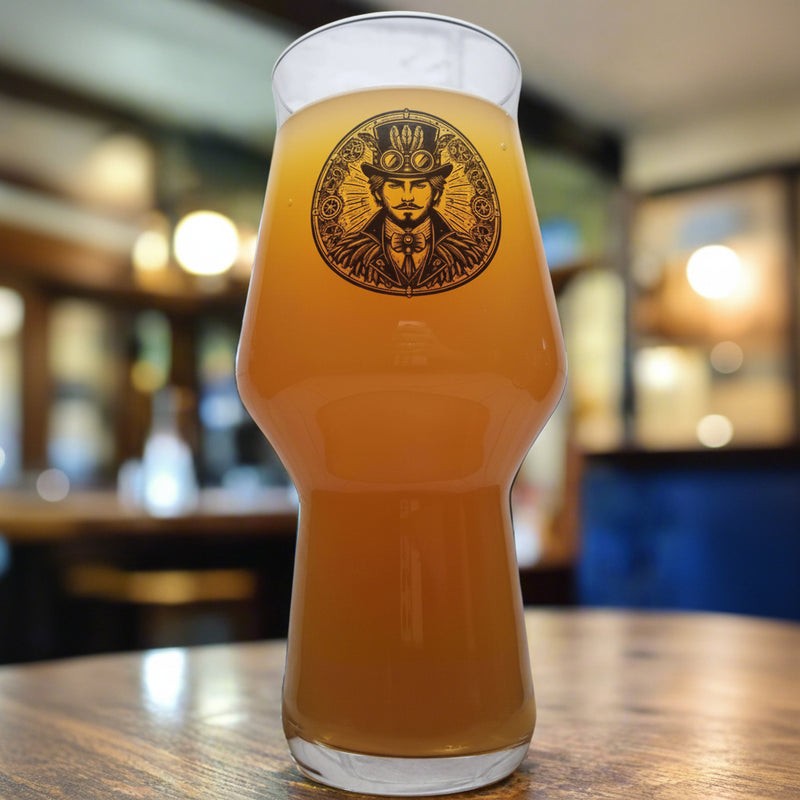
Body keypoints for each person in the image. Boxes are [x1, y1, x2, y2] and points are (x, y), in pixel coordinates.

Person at [330, 119, 484, 296]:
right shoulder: (348, 254)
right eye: (395, 185)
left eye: (419, 185)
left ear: (436, 192)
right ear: (378, 192)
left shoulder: (466, 254)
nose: (408, 197)